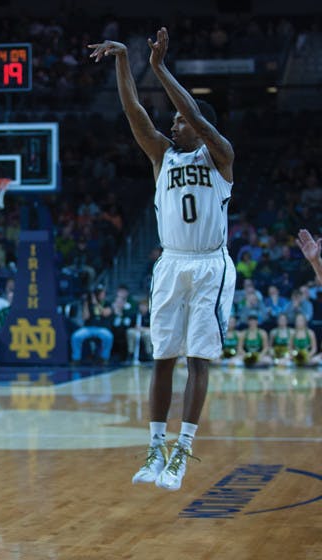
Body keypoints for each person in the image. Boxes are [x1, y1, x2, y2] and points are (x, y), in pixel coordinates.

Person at [90, 27, 236, 491]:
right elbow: (134, 113)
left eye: (180, 121)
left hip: (210, 264)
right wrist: (123, 62)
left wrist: (158, 67)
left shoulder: (221, 157)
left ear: (201, 126)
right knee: (162, 358)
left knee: (198, 359)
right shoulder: (163, 157)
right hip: (171, 263)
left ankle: (182, 451)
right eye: (172, 121)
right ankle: (155, 448)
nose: (173, 125)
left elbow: (192, 110)